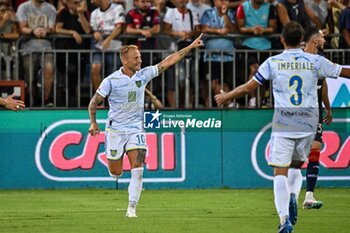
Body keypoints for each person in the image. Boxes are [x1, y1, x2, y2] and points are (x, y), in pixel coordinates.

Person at [214, 21, 350, 233]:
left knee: (280, 172)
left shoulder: (273, 62)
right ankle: (294, 196)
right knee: (296, 166)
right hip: (308, 125)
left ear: (282, 39)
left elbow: (249, 87)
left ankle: (284, 220)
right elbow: (345, 72)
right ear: (301, 41)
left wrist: (226, 96)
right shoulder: (316, 61)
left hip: (284, 124)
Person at [88, 33, 204, 218]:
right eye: (136, 58)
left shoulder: (143, 75)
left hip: (136, 127)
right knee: (116, 172)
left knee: (138, 166)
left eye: (140, 57)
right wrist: (93, 123)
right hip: (115, 129)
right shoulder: (111, 81)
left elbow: (169, 61)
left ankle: (131, 208)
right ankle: (115, 168)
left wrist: (190, 47)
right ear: (125, 61)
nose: (140, 61)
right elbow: (94, 102)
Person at [287, 27, 332, 227]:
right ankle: (290, 197)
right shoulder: (299, 60)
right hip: (299, 113)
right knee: (295, 159)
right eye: (322, 37)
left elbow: (323, 87)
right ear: (314, 40)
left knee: (315, 150)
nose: (325, 40)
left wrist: (327, 108)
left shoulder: (320, 61)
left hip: (315, 114)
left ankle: (309, 196)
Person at [236, 0, 277, 107]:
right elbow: (239, 27)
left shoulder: (270, 7)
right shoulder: (242, 7)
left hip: (266, 46)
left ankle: (260, 102)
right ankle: (253, 99)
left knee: (263, 76)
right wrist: (251, 30)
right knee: (254, 70)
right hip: (249, 46)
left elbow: (273, 27)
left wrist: (263, 30)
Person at [16, 0, 57, 107]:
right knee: (30, 79)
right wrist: (33, 31)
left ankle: (46, 99)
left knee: (49, 69)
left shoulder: (51, 8)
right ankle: (32, 103)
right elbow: (22, 28)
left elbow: (52, 28)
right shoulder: (23, 7)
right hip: (28, 49)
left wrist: (46, 31)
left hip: (46, 48)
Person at [55, 0, 91, 106]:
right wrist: (72, 32)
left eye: (79, 2)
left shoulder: (83, 13)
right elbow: (57, 29)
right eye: (75, 2)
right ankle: (65, 101)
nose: (78, 4)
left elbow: (88, 30)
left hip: (80, 53)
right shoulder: (63, 13)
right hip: (64, 52)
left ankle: (75, 102)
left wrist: (80, 13)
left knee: (77, 77)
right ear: (69, 4)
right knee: (67, 76)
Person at [201, 0, 236, 106]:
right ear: (215, 2)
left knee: (225, 84)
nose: (223, 2)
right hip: (211, 57)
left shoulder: (231, 13)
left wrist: (225, 15)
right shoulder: (208, 13)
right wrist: (219, 32)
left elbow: (233, 29)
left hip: (228, 56)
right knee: (213, 83)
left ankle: (226, 110)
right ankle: (229, 103)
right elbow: (204, 28)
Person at [90, 0, 125, 91]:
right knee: (95, 68)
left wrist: (108, 40)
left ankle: (112, 100)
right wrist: (95, 33)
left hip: (114, 46)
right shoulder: (94, 13)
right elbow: (93, 29)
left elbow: (119, 28)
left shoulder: (118, 8)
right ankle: (99, 99)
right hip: (98, 46)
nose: (92, 1)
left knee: (113, 74)